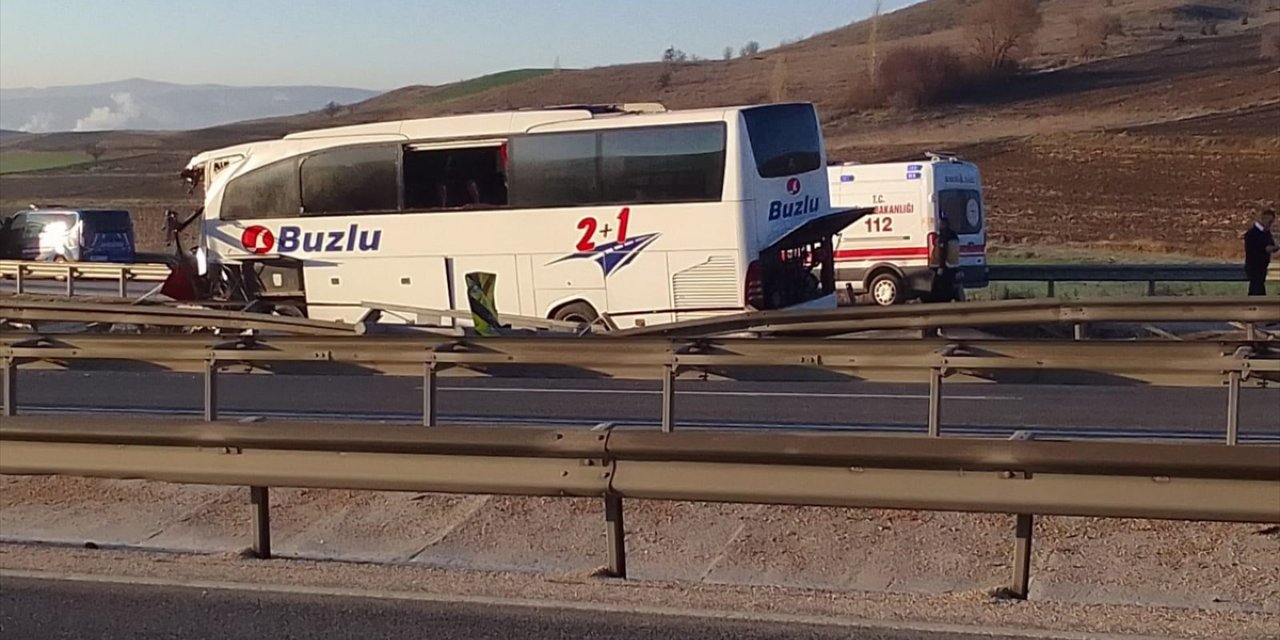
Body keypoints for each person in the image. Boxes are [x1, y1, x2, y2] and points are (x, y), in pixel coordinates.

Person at [1244, 208, 1277, 296]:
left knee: (1258, 287)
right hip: (1254, 266)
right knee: (1256, 288)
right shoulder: (1253, 234)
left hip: (1261, 266)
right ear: (1263, 218)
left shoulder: (1265, 233)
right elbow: (1266, 248)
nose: (1269, 225)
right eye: (1269, 222)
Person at [930, 216, 963, 302]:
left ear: (944, 224)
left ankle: (945, 298)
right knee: (950, 283)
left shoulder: (944, 236)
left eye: (940, 224)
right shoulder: (954, 235)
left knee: (942, 284)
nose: (939, 225)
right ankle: (955, 296)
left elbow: (943, 251)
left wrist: (941, 266)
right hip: (954, 264)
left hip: (945, 265)